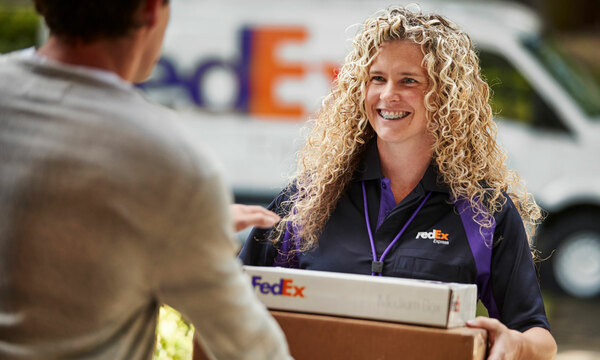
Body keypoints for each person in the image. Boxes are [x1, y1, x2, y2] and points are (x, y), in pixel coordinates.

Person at [240, 6, 557, 360]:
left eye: (409, 80)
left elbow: (539, 339)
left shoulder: (483, 211)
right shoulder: (311, 197)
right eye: (377, 78)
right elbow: (234, 295)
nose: (388, 94)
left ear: (446, 96)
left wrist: (516, 344)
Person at [0, 0, 291, 359]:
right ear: (153, 10)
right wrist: (189, 228)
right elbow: (251, 349)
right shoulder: (171, 165)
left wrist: (184, 231)